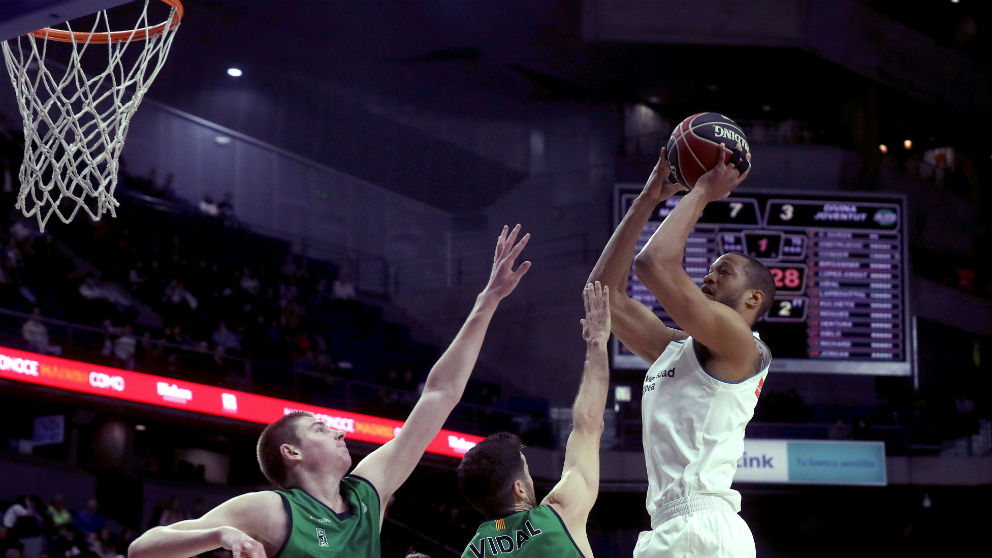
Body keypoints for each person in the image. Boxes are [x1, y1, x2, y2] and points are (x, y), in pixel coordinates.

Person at [128, 224, 532, 558]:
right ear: (292, 452)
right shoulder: (271, 509)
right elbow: (142, 548)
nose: (338, 432)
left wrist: (488, 300)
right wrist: (219, 535)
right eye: (320, 429)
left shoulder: (368, 492)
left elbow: (440, 393)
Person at [588, 146, 774, 558]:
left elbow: (654, 262)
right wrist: (647, 199)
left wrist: (705, 190)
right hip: (673, 526)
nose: (709, 277)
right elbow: (603, 297)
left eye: (723, 272)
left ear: (753, 298)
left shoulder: (740, 342)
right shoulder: (677, 349)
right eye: (709, 270)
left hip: (701, 527)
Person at [455, 281, 612, 558]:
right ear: (518, 489)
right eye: (526, 472)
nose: (529, 479)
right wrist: (597, 343)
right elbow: (589, 424)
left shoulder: (471, 553)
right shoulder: (558, 514)